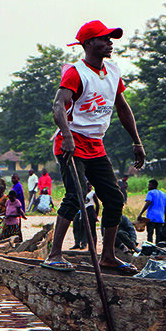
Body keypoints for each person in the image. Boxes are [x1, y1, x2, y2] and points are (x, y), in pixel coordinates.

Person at [43, 19, 145, 273]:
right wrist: (67, 136)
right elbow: (58, 106)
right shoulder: (76, 72)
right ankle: (54, 255)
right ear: (89, 44)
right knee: (75, 196)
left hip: (96, 145)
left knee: (113, 198)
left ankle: (107, 256)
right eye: (104, 39)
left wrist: (137, 141)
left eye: (111, 39)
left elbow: (122, 107)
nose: (110, 43)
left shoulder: (112, 71)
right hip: (71, 142)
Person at [138, 179, 166, 244]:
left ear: (153, 186)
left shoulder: (150, 193)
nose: (148, 187)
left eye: (149, 185)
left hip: (151, 217)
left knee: (150, 235)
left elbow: (148, 202)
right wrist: (165, 219)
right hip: (160, 218)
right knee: (158, 235)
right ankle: (158, 249)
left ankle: (150, 248)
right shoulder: (163, 194)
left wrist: (141, 213)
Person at [71, 183, 99, 250]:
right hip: (82, 211)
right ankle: (77, 243)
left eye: (90, 185)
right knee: (79, 227)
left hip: (90, 212)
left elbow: (97, 204)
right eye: (87, 185)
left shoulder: (92, 193)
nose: (89, 187)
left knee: (91, 230)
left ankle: (90, 247)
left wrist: (96, 214)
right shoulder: (82, 193)